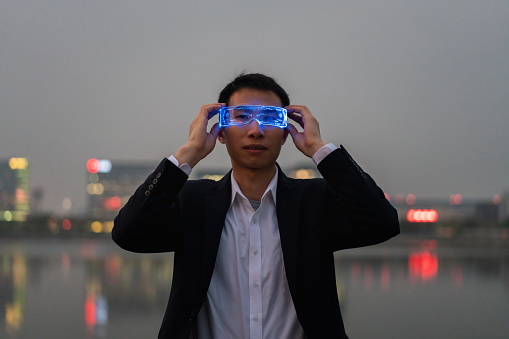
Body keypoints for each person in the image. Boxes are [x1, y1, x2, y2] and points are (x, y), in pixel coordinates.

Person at [112, 73, 400, 339]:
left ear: (286, 132)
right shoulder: (194, 202)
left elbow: (383, 223)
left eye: (270, 118)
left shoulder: (315, 201)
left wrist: (319, 149)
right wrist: (188, 154)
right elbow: (128, 233)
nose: (256, 130)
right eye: (242, 117)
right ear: (221, 131)